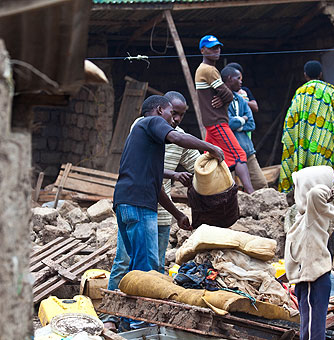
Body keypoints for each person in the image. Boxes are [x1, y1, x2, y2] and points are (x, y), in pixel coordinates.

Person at [108, 95, 223, 330]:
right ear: (160, 110)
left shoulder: (145, 139)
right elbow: (178, 137)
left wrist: (177, 214)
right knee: (146, 266)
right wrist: (210, 147)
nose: (174, 121)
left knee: (135, 266)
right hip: (139, 206)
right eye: (172, 114)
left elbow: (157, 186)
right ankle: (139, 324)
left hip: (126, 203)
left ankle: (124, 318)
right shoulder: (151, 122)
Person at [279, 60, 334, 193]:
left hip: (303, 143)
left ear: (305, 75)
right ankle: (327, 199)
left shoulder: (300, 93)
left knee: (306, 174)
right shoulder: (330, 92)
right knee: (325, 174)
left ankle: (305, 200)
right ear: (321, 74)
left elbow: (290, 121)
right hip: (325, 142)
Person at [195, 35, 254, 194]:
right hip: (217, 122)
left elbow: (225, 94)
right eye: (212, 48)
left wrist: (223, 99)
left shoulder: (205, 69)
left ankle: (213, 192)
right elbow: (228, 94)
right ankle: (251, 193)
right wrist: (224, 98)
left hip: (211, 122)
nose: (216, 51)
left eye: (218, 47)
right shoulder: (209, 70)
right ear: (202, 50)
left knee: (213, 159)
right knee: (239, 155)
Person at [284, 165, 334, 340]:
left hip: (312, 280)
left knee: (311, 332)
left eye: (298, 187)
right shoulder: (306, 216)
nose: (294, 191)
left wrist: (326, 189)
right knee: (309, 327)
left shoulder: (313, 214)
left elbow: (316, 194)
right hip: (309, 280)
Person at [221, 66, 268, 190]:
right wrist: (242, 120)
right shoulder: (219, 100)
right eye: (238, 78)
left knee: (261, 184)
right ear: (230, 79)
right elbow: (227, 124)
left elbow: (251, 124)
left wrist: (237, 123)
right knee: (229, 189)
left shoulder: (241, 99)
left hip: (247, 150)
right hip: (227, 152)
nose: (241, 82)